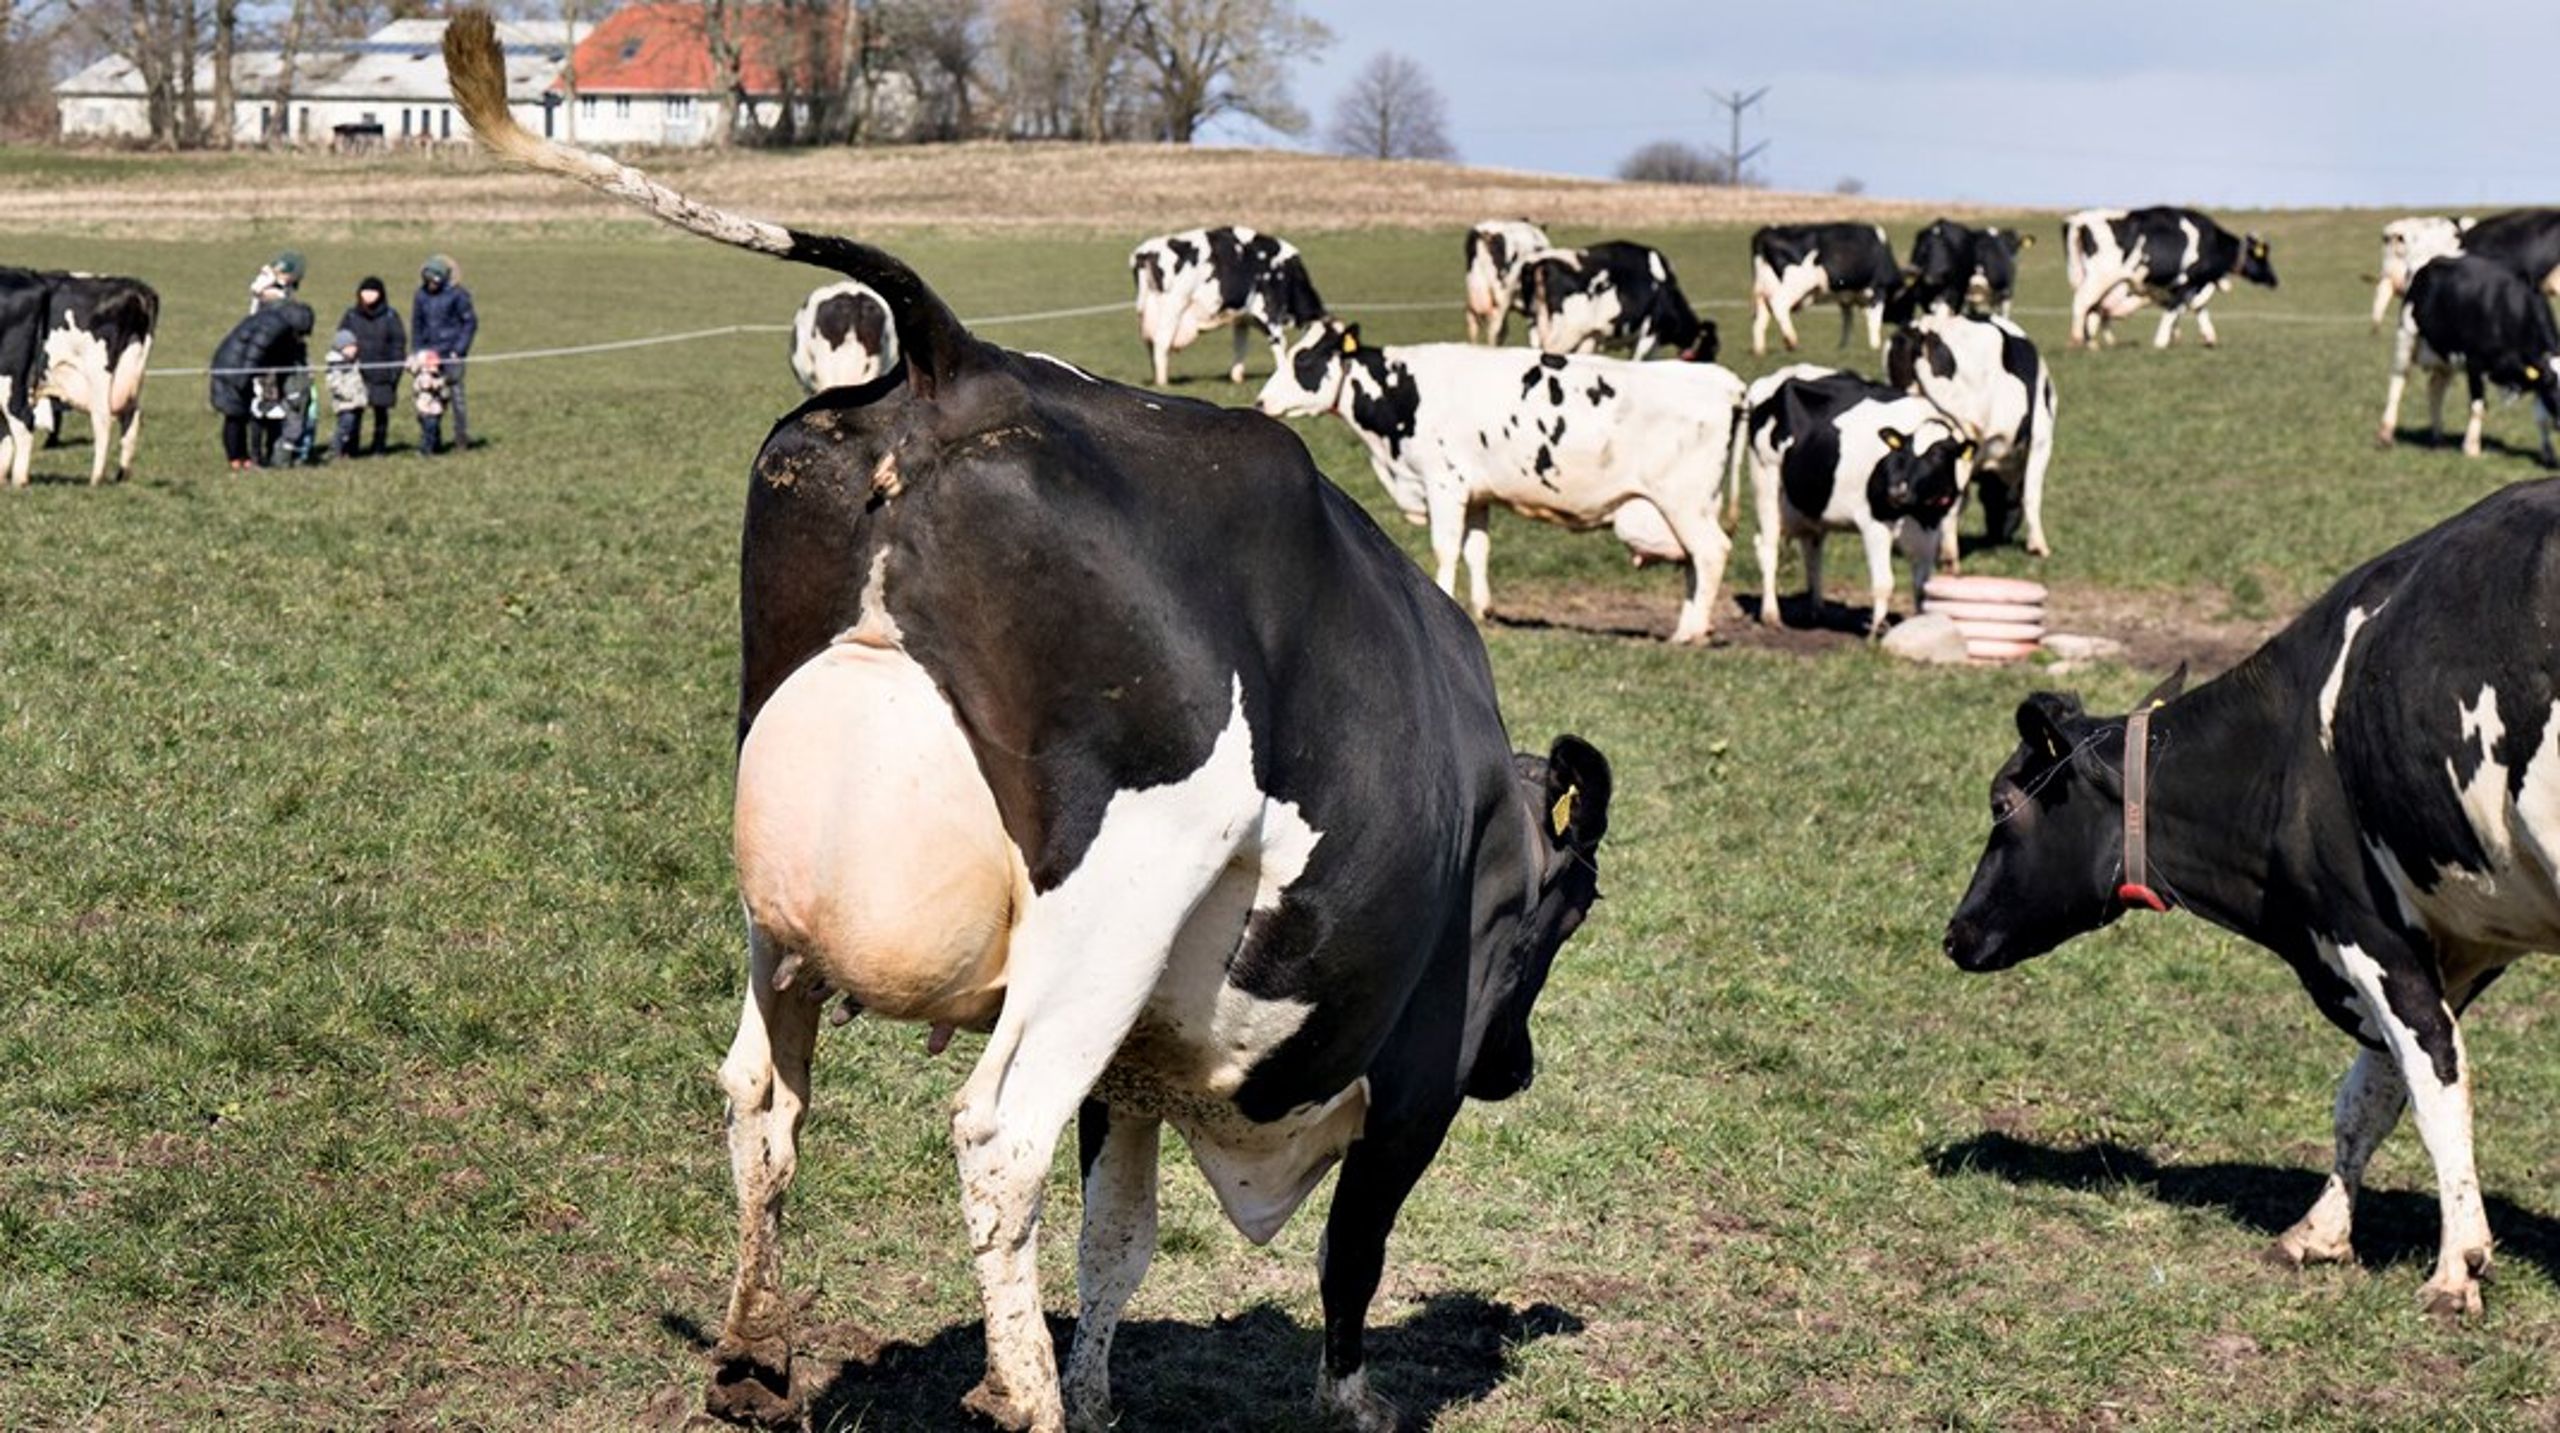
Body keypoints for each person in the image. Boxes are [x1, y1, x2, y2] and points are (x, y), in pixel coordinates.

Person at [208, 293, 314, 471]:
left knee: (241, 415)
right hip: (233, 368)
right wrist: (244, 380)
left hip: (237, 366)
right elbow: (254, 351)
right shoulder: (274, 326)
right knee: (234, 415)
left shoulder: (275, 320)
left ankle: (245, 458)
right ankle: (235, 458)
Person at [410, 254, 477, 450]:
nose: (431, 284)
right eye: (427, 280)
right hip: (429, 356)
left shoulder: (459, 295)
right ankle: (432, 440)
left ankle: (461, 439)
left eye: (435, 280)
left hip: (452, 353)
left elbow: (469, 323)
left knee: (457, 398)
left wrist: (459, 349)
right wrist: (417, 351)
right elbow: (417, 325)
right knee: (427, 397)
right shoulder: (420, 295)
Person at [336, 275, 406, 456]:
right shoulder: (351, 316)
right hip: (356, 372)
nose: (368, 295)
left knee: (380, 412)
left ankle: (379, 446)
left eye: (373, 291)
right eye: (365, 291)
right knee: (354, 412)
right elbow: (341, 340)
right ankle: (352, 448)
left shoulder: (391, 317)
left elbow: (398, 344)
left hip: (382, 371)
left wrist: (394, 372)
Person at [325, 329, 368, 460]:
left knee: (355, 428)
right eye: (350, 347)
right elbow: (334, 384)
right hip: (345, 403)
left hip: (357, 401)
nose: (354, 349)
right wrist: (349, 394)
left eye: (355, 346)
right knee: (345, 427)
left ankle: (352, 451)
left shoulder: (354, 363)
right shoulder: (336, 365)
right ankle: (336, 450)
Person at [411, 348, 451, 457]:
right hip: (426, 409)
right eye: (433, 365)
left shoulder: (437, 375)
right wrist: (443, 382)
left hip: (435, 409)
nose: (435, 367)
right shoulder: (423, 376)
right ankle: (425, 450)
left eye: (436, 365)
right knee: (428, 430)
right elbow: (429, 386)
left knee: (435, 430)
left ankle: (436, 447)